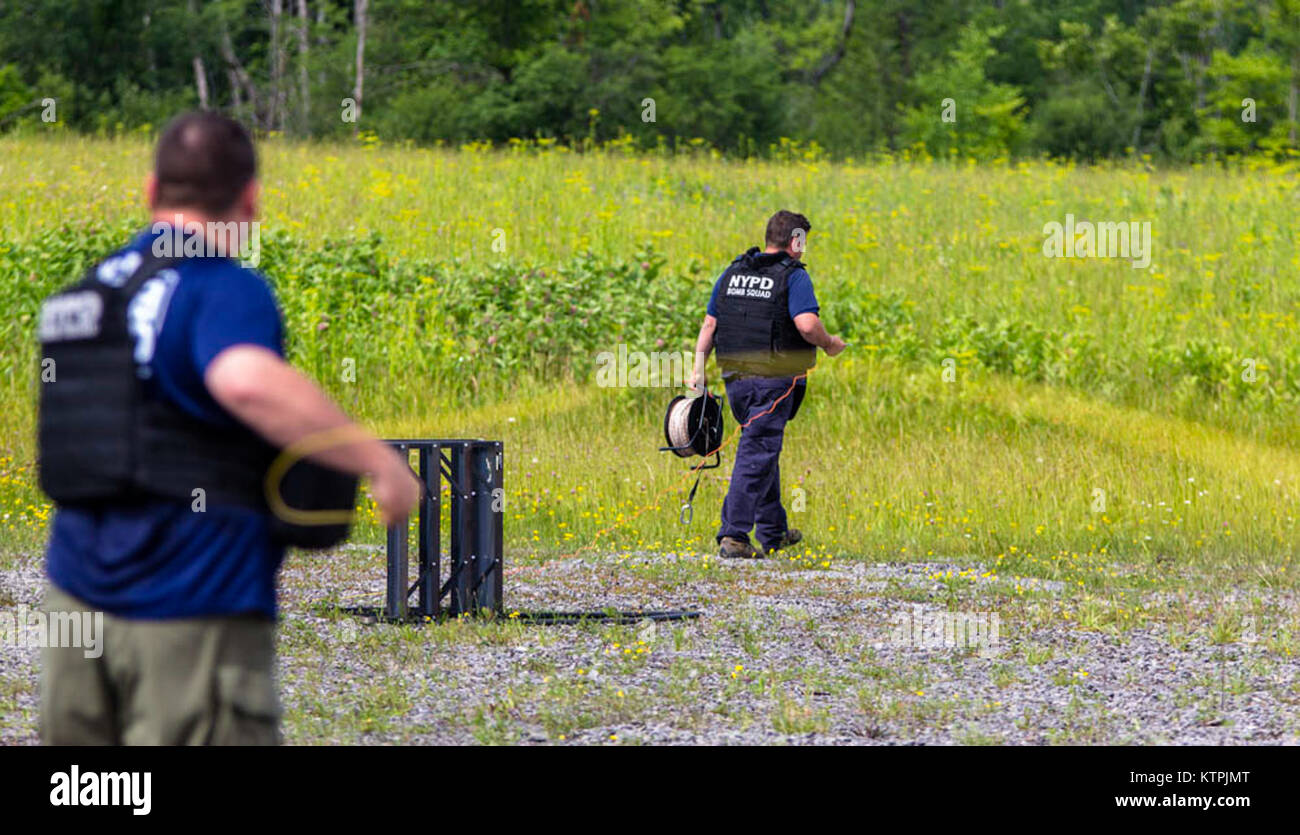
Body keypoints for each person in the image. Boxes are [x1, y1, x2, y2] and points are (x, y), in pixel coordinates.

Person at [37, 111, 421, 745]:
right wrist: (375, 461)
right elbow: (243, 378)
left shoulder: (87, 294)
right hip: (191, 600)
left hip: (75, 602)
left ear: (151, 192)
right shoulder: (220, 285)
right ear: (251, 199)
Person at [687, 210, 846, 559]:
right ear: (796, 241)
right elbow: (806, 325)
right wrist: (830, 343)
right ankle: (734, 536)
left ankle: (773, 532)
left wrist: (697, 371)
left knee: (761, 447)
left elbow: (709, 325)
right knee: (757, 451)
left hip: (735, 380)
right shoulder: (793, 276)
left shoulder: (732, 272)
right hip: (774, 380)